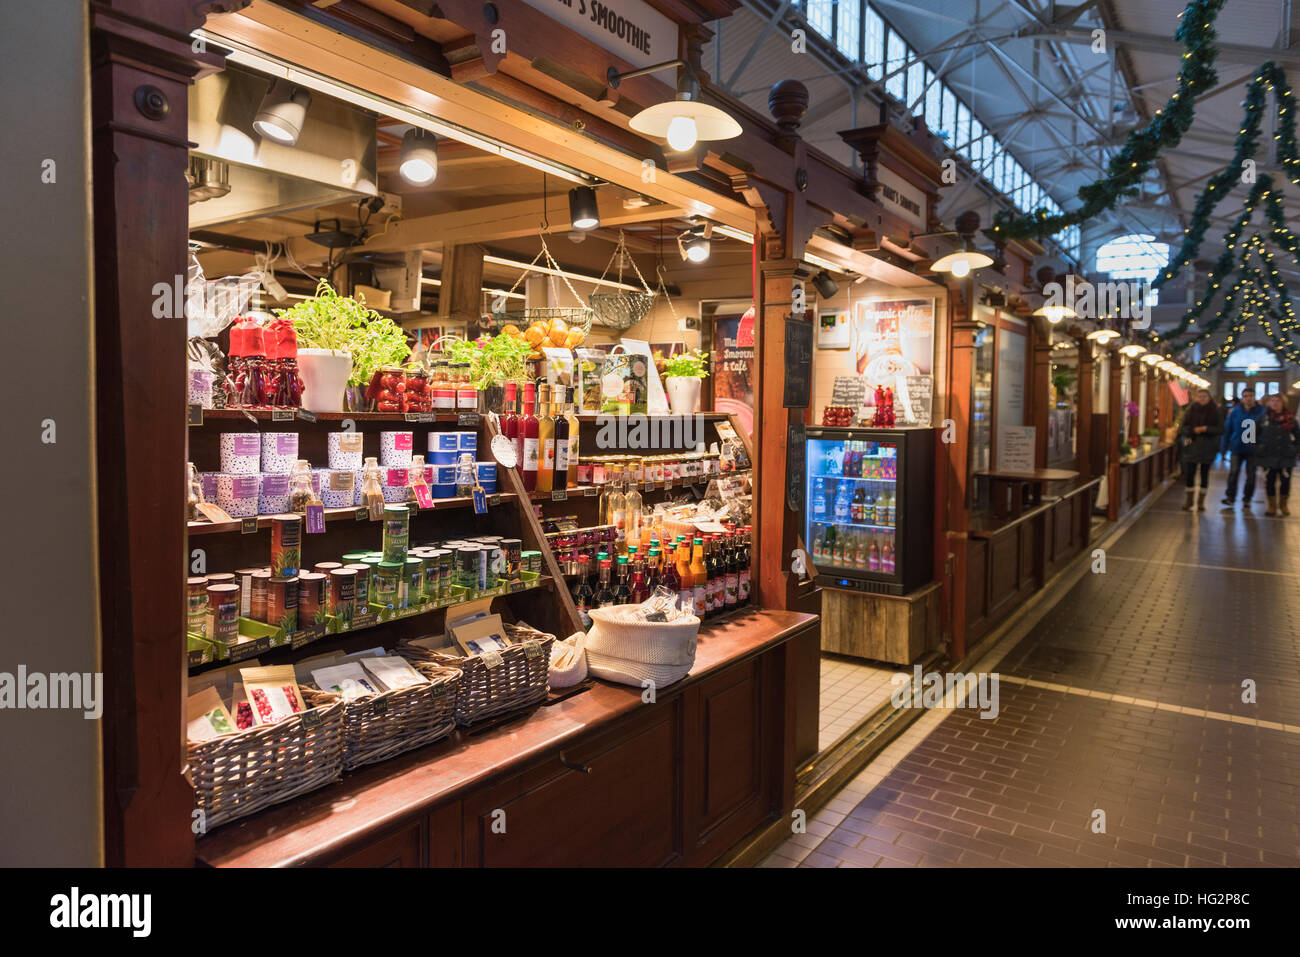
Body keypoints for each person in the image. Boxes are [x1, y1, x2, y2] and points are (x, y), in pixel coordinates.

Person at [1179, 388, 1222, 511]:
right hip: (1192, 446)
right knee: (1190, 474)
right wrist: (1193, 430)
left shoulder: (1215, 411)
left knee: (1204, 474)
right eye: (1200, 396)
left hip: (1208, 447)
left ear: (1209, 398)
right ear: (1196, 398)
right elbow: (1182, 429)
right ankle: (1189, 501)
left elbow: (1221, 429)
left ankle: (1201, 502)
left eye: (1204, 397)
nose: (1202, 399)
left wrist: (1206, 429)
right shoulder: (1191, 410)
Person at [1257, 393, 1299, 517]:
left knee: (1285, 481)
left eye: (1278, 401)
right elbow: (1250, 432)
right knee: (1269, 481)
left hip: (1285, 455)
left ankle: (1283, 504)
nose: (1274, 403)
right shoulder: (1263, 418)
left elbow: (1298, 437)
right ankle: (1271, 506)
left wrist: (1294, 449)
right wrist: (1257, 448)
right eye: (1272, 400)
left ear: (1283, 403)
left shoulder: (1291, 419)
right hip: (1268, 455)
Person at [1221, 388, 1264, 508]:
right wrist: (1223, 449)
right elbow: (1228, 430)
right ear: (1242, 398)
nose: (1248, 398)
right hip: (1237, 447)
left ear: (1254, 397)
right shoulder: (1236, 412)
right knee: (1233, 473)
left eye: (1250, 396)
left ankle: (1247, 498)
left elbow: (1265, 431)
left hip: (1253, 449)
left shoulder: (1262, 412)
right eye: (1245, 396)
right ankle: (1230, 497)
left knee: (1251, 475)